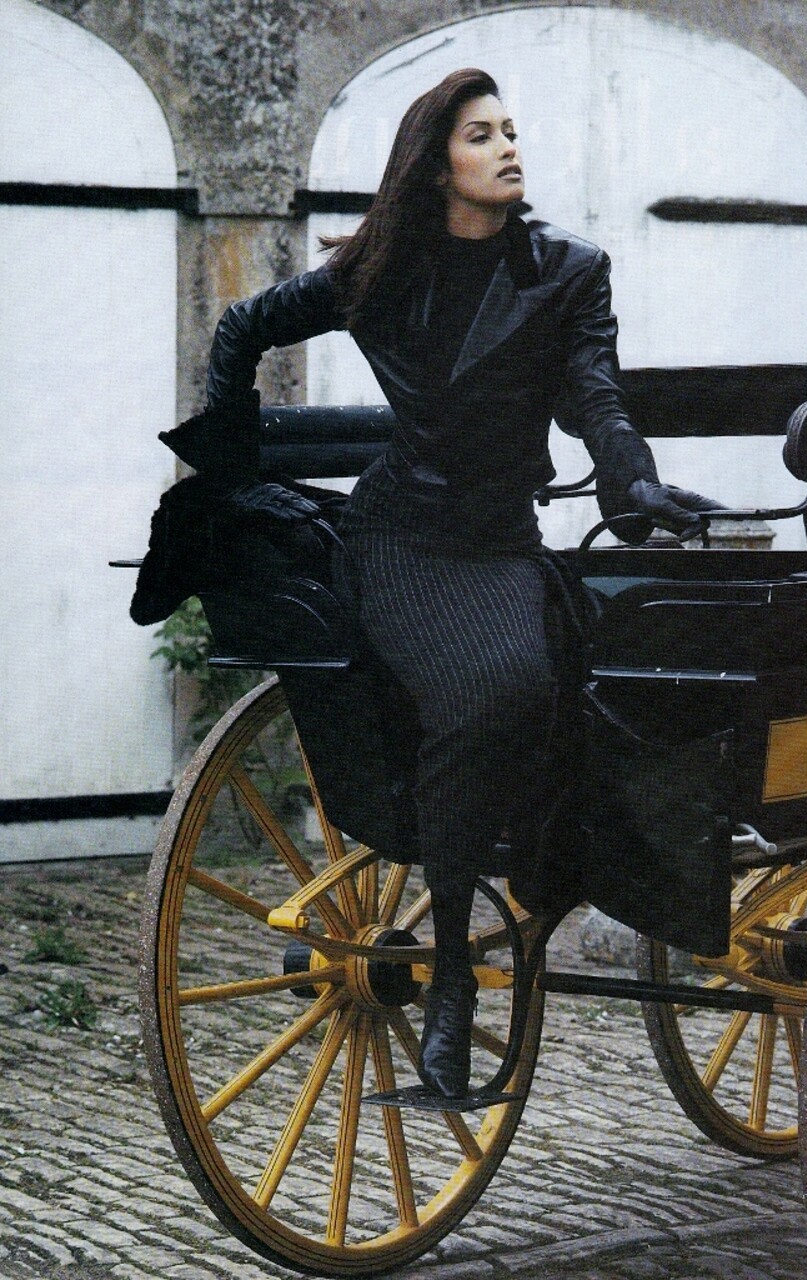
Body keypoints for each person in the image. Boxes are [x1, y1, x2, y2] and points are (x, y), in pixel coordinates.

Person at [170, 68, 720, 1098]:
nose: (509, 147)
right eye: (481, 134)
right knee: (483, 692)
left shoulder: (568, 271)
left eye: (512, 130)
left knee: (523, 684)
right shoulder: (375, 272)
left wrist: (635, 479)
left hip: (500, 541)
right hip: (397, 538)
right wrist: (229, 472)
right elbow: (241, 327)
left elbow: (595, 397)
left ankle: (515, 896)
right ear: (435, 165)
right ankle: (456, 973)